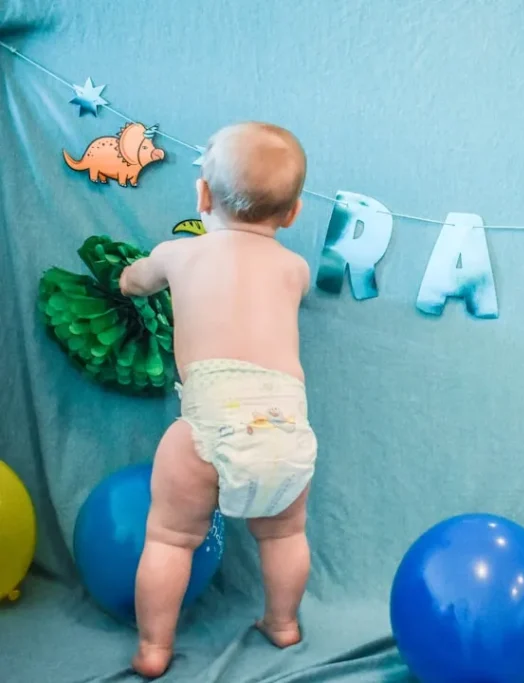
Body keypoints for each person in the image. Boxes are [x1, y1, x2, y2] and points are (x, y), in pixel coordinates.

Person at [119, 122, 318, 678]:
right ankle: (283, 622)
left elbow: (135, 281)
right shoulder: (295, 269)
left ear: (202, 196)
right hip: (285, 428)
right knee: (285, 534)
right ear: (294, 213)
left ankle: (154, 648)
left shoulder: (180, 255)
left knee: (170, 536)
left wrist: (126, 279)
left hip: (212, 423)